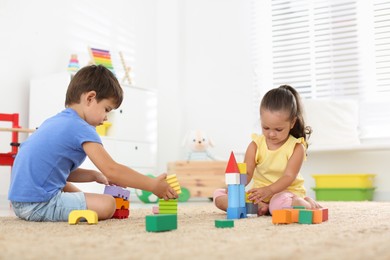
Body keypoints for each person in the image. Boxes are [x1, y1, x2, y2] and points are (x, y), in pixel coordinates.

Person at [8, 65, 177, 222]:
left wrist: (94, 175)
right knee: (108, 204)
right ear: (90, 98)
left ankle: (78, 206)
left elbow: (56, 172)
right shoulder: (82, 127)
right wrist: (153, 185)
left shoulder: (54, 122)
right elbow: (112, 170)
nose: (106, 118)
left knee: (67, 186)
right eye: (106, 109)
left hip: (19, 202)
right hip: (38, 204)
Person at [213, 85, 321, 215]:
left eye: (278, 129)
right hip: (260, 196)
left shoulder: (297, 147)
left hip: (285, 194)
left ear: (292, 123)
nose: (271, 134)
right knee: (219, 195)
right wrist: (235, 187)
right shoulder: (255, 145)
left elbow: (289, 176)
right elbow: (247, 172)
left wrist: (269, 190)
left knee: (277, 204)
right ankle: (260, 207)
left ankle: (305, 202)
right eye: (266, 128)